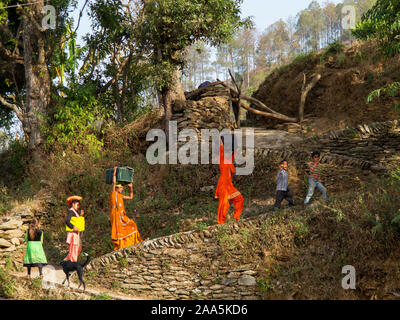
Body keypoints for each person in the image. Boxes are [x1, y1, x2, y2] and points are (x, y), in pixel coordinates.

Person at [109, 166, 142, 250]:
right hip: (116, 215)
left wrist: (131, 187)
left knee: (132, 225)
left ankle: (131, 243)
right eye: (121, 188)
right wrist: (115, 171)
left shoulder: (120, 195)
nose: (122, 189)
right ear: (117, 187)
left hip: (122, 215)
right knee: (118, 231)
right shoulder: (114, 193)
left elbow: (131, 197)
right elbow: (113, 182)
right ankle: (121, 246)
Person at [215, 135, 244, 224]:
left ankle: (236, 217)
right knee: (224, 204)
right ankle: (220, 222)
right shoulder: (222, 158)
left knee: (239, 199)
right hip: (223, 185)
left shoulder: (229, 160)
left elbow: (235, 151)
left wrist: (235, 143)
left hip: (229, 186)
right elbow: (222, 148)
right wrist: (220, 139)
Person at [64, 196, 84, 262]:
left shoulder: (74, 212)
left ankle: (67, 261)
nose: (78, 206)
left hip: (76, 233)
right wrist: (73, 227)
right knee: (74, 248)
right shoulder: (71, 211)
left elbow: (76, 222)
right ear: (73, 204)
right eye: (77, 205)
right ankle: (72, 262)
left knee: (77, 248)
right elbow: (67, 220)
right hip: (73, 233)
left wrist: (80, 216)